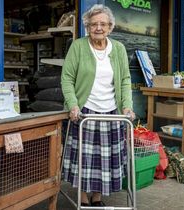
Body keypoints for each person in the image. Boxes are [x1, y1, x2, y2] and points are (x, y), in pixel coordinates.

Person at [61, 4, 135, 207]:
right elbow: (67, 78)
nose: (98, 28)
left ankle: (97, 198)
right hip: (85, 112)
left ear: (110, 27)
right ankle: (83, 199)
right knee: (85, 160)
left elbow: (125, 80)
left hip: (111, 113)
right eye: (94, 24)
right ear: (87, 27)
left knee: (104, 161)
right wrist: (73, 105)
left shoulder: (118, 49)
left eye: (103, 24)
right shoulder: (78, 46)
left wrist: (127, 107)